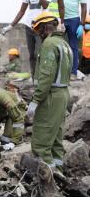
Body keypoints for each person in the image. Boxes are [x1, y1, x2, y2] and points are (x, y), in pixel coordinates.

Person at [27, 11, 72, 176]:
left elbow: (46, 76)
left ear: (45, 27)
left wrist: (36, 100)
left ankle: (49, 180)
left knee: (41, 143)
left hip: (50, 96)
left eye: (39, 29)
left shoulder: (49, 44)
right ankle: (59, 174)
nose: (38, 33)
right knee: (56, 142)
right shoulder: (64, 44)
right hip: (63, 94)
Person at [2, 0, 52, 76]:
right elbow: (22, 11)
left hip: (41, 27)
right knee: (32, 55)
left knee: (39, 53)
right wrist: (11, 26)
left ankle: (41, 76)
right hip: (29, 26)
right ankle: (34, 77)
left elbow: (45, 5)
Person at [59, 0, 88, 80]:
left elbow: (84, 7)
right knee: (58, 45)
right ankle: (59, 72)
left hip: (73, 20)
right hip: (61, 19)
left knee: (73, 47)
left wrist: (81, 24)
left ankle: (73, 72)